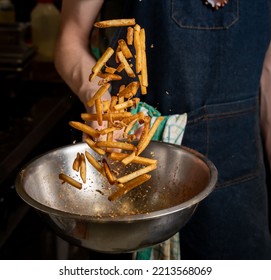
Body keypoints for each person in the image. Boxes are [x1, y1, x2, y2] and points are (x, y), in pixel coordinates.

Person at [54, 0, 271, 259]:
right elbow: (70, 40)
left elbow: (267, 74)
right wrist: (100, 100)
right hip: (132, 162)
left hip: (239, 173)